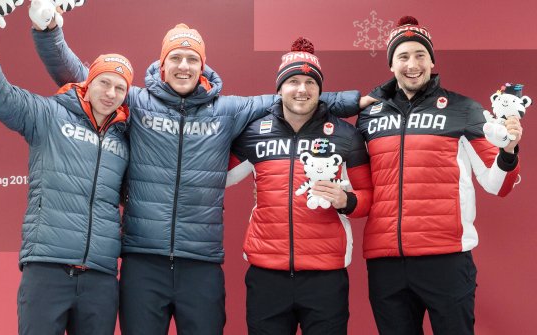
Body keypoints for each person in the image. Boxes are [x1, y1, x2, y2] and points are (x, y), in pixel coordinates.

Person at [31, 15, 369, 335]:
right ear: (163, 65)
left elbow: (295, 97)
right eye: (175, 58)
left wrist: (355, 101)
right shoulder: (136, 101)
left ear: (203, 66)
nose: (184, 66)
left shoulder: (227, 109)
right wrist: (48, 32)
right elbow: (75, 75)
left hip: (201, 263)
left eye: (192, 59)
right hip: (143, 261)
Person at [0, 13, 133, 335]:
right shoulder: (48, 115)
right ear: (88, 83)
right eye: (104, 82)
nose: (110, 93)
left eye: (120, 87)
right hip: (47, 269)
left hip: (100, 276)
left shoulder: (126, 137)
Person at [356, 16, 523, 335]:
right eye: (402, 56)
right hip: (385, 262)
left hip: (446, 259)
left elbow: (496, 184)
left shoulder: (464, 109)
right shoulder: (368, 117)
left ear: (431, 60)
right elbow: (355, 182)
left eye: (420, 55)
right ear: (392, 65)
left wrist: (508, 151)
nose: (412, 64)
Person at [227, 38, 373, 335]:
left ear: (321, 90)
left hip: (325, 275)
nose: (302, 89)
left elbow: (368, 198)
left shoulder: (345, 135)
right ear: (279, 88)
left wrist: (346, 200)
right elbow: (218, 178)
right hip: (267, 273)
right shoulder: (254, 132)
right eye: (293, 81)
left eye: (310, 82)